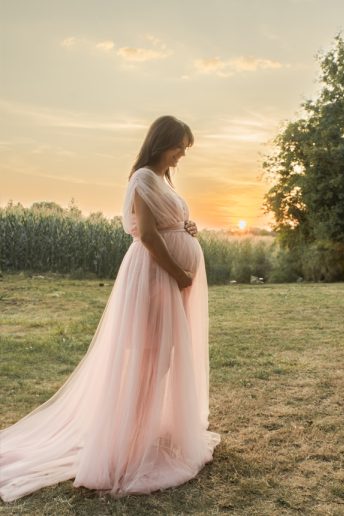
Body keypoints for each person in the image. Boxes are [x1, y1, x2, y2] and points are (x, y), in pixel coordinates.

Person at [0, 115, 221, 502]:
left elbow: (167, 225)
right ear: (162, 141)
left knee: (165, 356)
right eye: (179, 146)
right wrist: (179, 273)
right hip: (156, 276)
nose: (182, 154)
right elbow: (149, 235)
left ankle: (145, 430)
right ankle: (129, 443)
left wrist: (188, 228)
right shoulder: (142, 179)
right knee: (150, 356)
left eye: (185, 148)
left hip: (170, 276)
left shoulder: (162, 179)